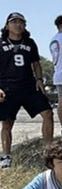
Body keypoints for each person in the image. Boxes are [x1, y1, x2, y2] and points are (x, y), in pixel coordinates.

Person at [0, 13, 54, 169]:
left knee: (48, 113)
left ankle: (48, 151)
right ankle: (6, 156)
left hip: (29, 86)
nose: (18, 25)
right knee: (7, 122)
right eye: (14, 22)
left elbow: (36, 63)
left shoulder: (30, 43)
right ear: (7, 25)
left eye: (21, 22)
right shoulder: (1, 42)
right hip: (8, 87)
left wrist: (39, 79)